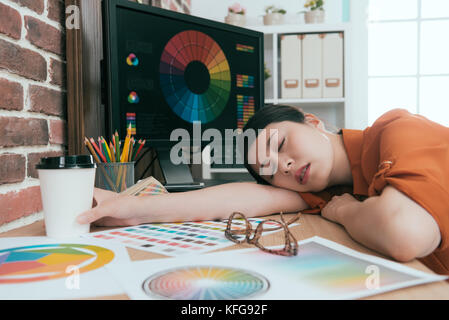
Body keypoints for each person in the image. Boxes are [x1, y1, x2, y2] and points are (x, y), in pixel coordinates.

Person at [77, 105, 449, 275]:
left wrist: (346, 213)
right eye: (270, 171)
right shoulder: (329, 186)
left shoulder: (398, 131)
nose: (283, 165)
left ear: (313, 121)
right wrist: (127, 206)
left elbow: (405, 235)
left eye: (281, 142)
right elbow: (238, 198)